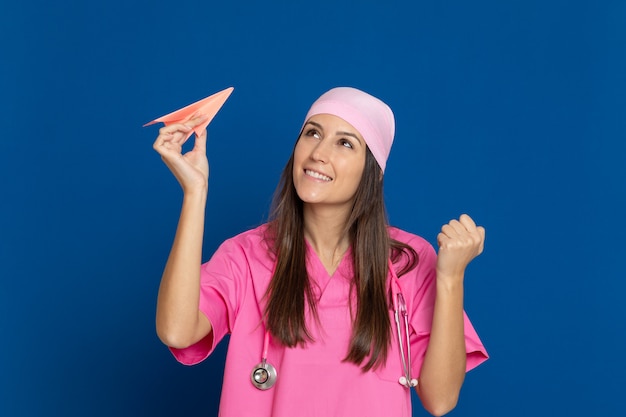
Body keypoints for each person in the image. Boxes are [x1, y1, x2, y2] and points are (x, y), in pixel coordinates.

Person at [153, 87, 488, 417]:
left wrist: (451, 277)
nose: (318, 153)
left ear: (371, 169)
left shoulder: (408, 261)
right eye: (312, 133)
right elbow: (177, 332)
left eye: (345, 143)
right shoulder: (246, 255)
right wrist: (195, 193)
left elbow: (440, 399)